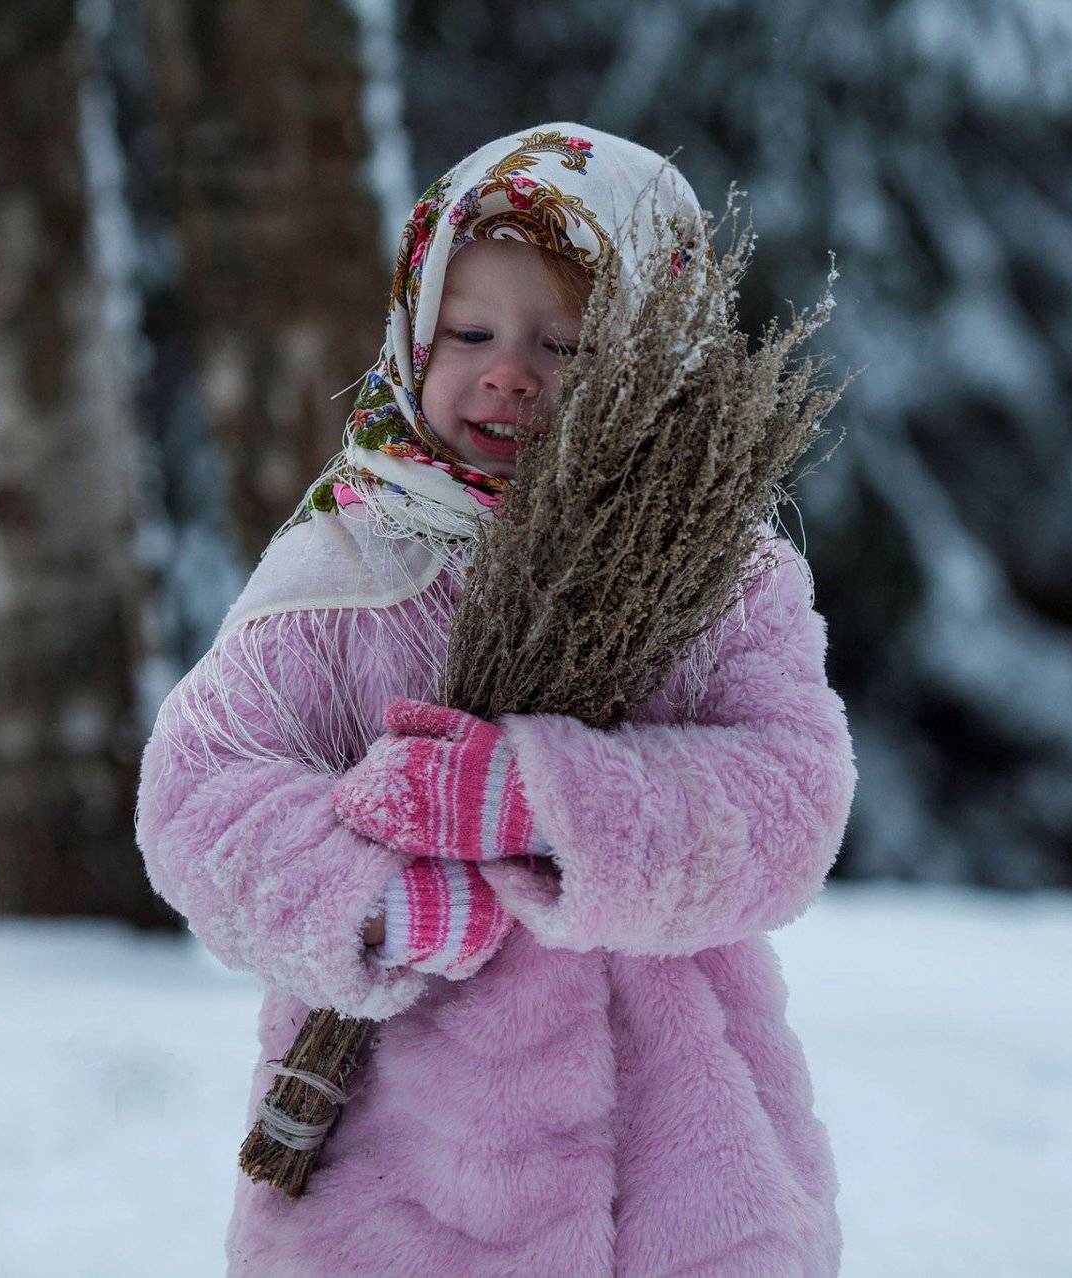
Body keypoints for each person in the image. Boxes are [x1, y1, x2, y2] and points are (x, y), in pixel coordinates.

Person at [135, 123, 855, 1276]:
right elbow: (197, 795)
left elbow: (791, 800)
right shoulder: (349, 566)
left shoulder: (718, 576)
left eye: (564, 344)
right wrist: (379, 902)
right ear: (415, 329)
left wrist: (537, 799)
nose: (508, 371)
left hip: (687, 1177)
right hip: (401, 1180)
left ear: (658, 358)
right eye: (469, 333)